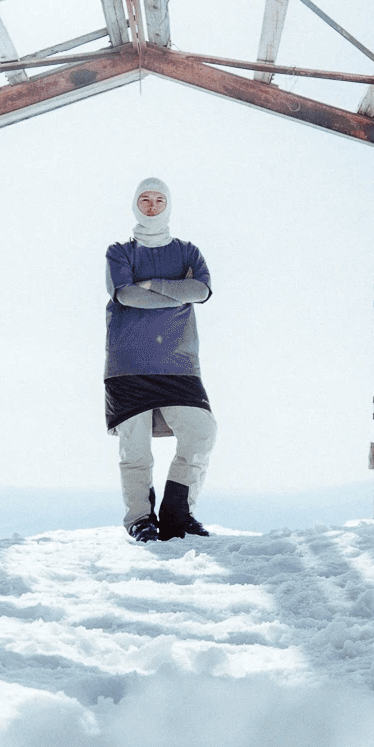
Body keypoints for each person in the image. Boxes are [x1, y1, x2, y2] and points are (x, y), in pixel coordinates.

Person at [105, 177, 216, 543]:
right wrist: (175, 291)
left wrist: (151, 284)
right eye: (144, 199)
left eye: (159, 200)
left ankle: (176, 513)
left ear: (168, 204)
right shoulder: (119, 252)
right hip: (128, 363)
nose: (151, 206)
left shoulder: (188, 252)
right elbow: (125, 295)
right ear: (135, 204)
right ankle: (139, 519)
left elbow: (200, 289)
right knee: (134, 451)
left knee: (201, 432)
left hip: (179, 364)